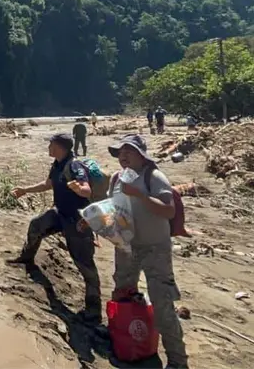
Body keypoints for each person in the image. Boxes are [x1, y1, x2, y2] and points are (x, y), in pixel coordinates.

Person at [106, 134, 188, 369]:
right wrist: (91, 222)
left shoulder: (154, 177)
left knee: (162, 304)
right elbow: (111, 209)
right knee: (122, 295)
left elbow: (168, 211)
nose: (123, 156)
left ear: (142, 155)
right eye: (120, 152)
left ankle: (177, 361)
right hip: (126, 247)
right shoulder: (116, 179)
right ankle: (124, 342)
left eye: (129, 151)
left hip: (155, 249)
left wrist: (140, 195)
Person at [8, 133, 101, 322]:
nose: (48, 148)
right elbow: (48, 184)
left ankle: (94, 310)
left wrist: (79, 189)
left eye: (50, 144)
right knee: (36, 225)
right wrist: (25, 190)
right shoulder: (58, 164)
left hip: (78, 221)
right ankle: (27, 258)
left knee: (84, 264)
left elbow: (87, 189)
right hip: (60, 213)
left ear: (59, 147)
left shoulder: (74, 165)